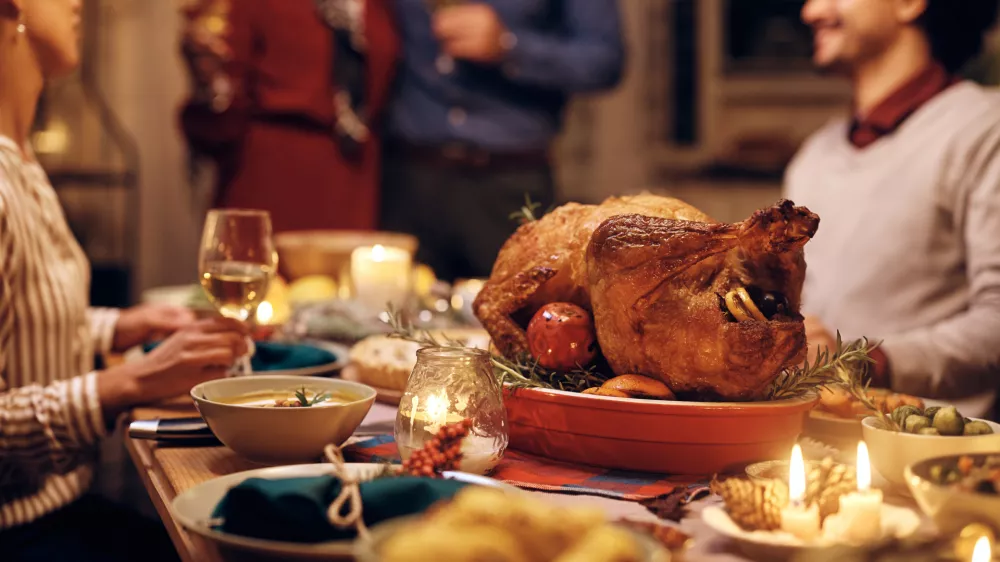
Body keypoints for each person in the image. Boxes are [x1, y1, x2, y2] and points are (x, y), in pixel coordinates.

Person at [0, 0, 249, 558]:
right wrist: (129, 384)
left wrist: (119, 326)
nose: (77, 4)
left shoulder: (19, 159)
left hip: (67, 510)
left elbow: (16, 318)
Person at [785, 0, 1000, 418]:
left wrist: (856, 361)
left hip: (928, 453)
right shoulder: (813, 156)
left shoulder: (985, 129)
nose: (810, 12)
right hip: (813, 442)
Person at [380, 0, 625, 282]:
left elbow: (604, 59)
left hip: (508, 182)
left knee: (512, 315)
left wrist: (511, 47)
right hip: (406, 178)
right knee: (392, 318)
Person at [180, 0, 399, 233]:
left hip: (354, 182)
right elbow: (217, 113)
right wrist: (210, 84)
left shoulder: (383, 7)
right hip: (272, 182)